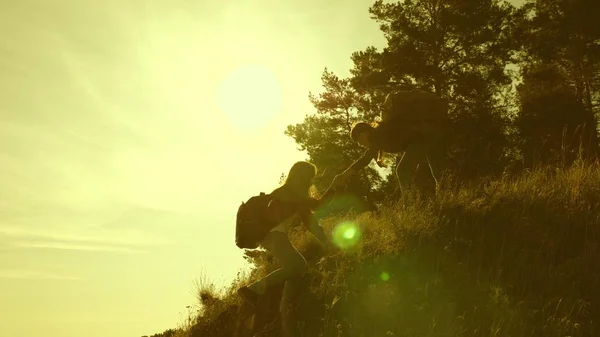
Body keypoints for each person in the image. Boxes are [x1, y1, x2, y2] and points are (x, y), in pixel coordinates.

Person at [237, 161, 338, 317]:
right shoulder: (293, 193)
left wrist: (324, 240)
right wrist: (335, 186)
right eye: (310, 177)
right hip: (273, 233)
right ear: (302, 177)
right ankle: (253, 289)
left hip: (269, 235)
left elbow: (311, 217)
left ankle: (285, 307)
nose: (312, 181)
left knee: (297, 267)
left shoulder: (288, 193)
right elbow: (315, 212)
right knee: (298, 266)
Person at [333, 88, 451, 197]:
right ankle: (449, 200)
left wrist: (344, 175)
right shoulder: (381, 131)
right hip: (434, 129)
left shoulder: (378, 134)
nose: (360, 144)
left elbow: (365, 159)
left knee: (403, 170)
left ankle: (412, 203)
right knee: (439, 172)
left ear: (363, 133)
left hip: (424, 136)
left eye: (358, 139)